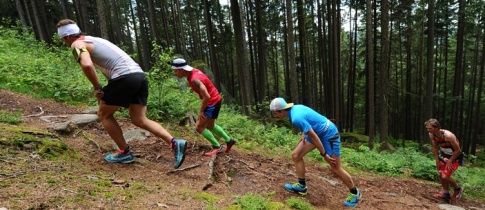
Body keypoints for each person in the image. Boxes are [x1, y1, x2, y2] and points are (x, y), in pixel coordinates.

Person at [56, 19, 187, 168]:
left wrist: (97, 88)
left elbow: (86, 64)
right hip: (139, 76)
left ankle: (124, 152)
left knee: (104, 114)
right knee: (139, 119)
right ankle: (175, 142)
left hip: (125, 77)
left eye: (62, 40)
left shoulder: (76, 44)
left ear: (67, 37)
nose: (64, 43)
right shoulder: (93, 40)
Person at [269, 97, 361, 207]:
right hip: (317, 132)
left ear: (281, 110)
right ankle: (301, 186)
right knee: (296, 155)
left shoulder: (295, 117)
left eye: (275, 114)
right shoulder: (294, 110)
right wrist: (304, 134)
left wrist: (324, 154)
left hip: (329, 134)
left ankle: (354, 193)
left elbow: (314, 137)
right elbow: (309, 122)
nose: (275, 116)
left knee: (335, 167)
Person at [171, 58, 236, 156]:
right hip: (216, 99)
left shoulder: (194, 79)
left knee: (199, 127)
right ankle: (229, 140)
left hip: (212, 102)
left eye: (176, 71)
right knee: (210, 126)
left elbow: (206, 96)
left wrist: (201, 111)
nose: (175, 73)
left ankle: (217, 147)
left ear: (182, 70)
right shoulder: (193, 71)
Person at [424, 119, 464, 200]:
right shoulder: (431, 134)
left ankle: (458, 189)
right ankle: (446, 193)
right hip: (443, 156)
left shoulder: (448, 136)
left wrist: (450, 160)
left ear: (437, 127)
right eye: (427, 128)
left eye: (430, 128)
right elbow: (435, 147)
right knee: (440, 174)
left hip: (455, 157)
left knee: (445, 176)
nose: (428, 130)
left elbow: (458, 150)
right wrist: (437, 160)